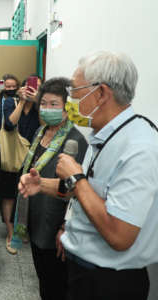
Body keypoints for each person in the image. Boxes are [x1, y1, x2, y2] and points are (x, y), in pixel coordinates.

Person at [18, 51, 158, 300]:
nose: (71, 101)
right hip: (83, 269)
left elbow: (119, 235)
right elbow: (88, 192)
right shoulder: (104, 135)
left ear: (101, 93)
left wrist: (77, 178)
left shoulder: (139, 148)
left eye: (75, 93)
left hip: (110, 281)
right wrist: (42, 185)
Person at [14, 77, 88, 300]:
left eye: (54, 104)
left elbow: (79, 190)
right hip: (35, 216)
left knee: (55, 284)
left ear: (67, 108)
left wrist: (65, 226)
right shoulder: (40, 132)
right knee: (43, 278)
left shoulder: (75, 141)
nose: (47, 108)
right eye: (43, 103)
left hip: (55, 223)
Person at [0, 73, 22, 255]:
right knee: (8, 194)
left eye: (13, 86)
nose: (10, 89)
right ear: (1, 86)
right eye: (6, 86)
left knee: (22, 194)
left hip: (25, 152)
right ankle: (10, 232)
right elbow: (8, 126)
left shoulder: (26, 102)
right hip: (6, 154)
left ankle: (20, 229)